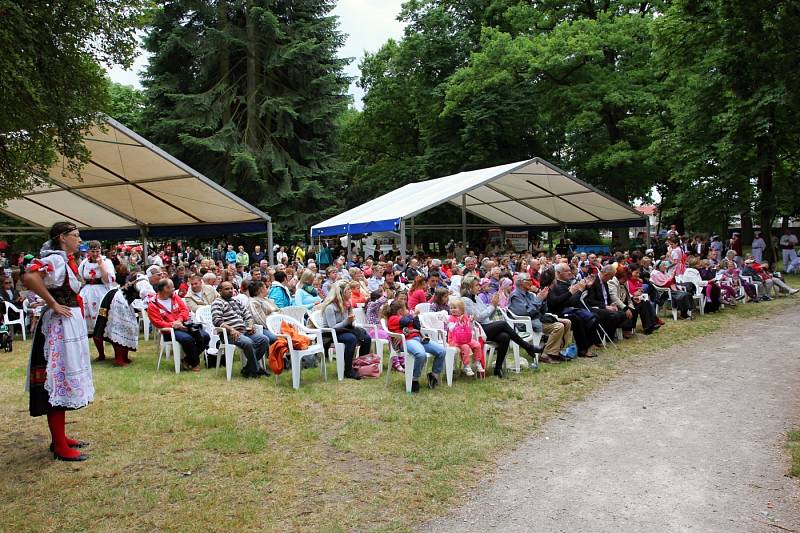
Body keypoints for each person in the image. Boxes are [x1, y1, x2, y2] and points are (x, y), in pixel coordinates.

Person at [23, 222, 94, 461]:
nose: (79, 239)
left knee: (64, 379)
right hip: (57, 328)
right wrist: (52, 303)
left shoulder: (63, 259)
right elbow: (30, 277)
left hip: (68, 324)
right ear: (62, 237)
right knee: (56, 379)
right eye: (75, 235)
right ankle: (59, 444)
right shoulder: (54, 259)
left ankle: (60, 437)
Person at [461, 274, 543, 378]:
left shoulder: (476, 297)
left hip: (485, 327)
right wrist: (492, 306)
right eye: (476, 285)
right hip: (476, 330)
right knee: (503, 324)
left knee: (505, 336)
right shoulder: (465, 300)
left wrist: (494, 306)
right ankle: (528, 347)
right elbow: (479, 318)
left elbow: (488, 316)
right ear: (469, 287)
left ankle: (498, 369)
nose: (479, 287)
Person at [212, 281, 272, 378]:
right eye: (227, 289)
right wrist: (231, 329)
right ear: (220, 291)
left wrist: (250, 326)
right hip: (229, 334)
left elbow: (248, 316)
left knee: (264, 339)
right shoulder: (217, 303)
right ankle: (256, 369)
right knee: (248, 342)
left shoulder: (236, 301)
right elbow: (217, 321)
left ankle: (249, 368)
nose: (230, 291)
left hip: (244, 331)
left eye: (231, 288)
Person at [148, 279, 209, 371]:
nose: (174, 289)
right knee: (188, 339)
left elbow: (184, 310)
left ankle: (187, 360)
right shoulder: (153, 304)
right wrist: (172, 324)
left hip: (184, 325)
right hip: (169, 331)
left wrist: (180, 320)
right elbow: (157, 322)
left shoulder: (175, 297)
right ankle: (195, 363)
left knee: (205, 336)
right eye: (172, 287)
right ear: (165, 288)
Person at [508, 273, 570, 363]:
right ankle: (545, 354)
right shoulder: (515, 296)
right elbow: (525, 313)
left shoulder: (529, 294)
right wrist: (538, 300)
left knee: (567, 322)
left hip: (538, 319)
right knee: (558, 326)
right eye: (528, 280)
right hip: (527, 323)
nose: (531, 282)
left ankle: (556, 352)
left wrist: (543, 299)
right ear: (521, 282)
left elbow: (543, 311)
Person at [386, 299, 446, 391]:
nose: (408, 310)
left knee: (441, 351)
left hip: (417, 339)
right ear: (400, 311)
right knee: (420, 354)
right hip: (405, 341)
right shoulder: (393, 319)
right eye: (406, 308)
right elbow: (404, 321)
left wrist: (415, 317)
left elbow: (417, 327)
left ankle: (433, 375)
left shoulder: (407, 317)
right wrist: (413, 315)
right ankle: (414, 378)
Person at [320, 280, 371, 380]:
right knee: (351, 338)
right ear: (341, 293)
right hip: (330, 334)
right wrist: (348, 321)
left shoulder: (347, 303)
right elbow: (333, 327)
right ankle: (348, 370)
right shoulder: (330, 307)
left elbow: (347, 323)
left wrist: (351, 320)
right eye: (348, 290)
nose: (350, 292)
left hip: (343, 329)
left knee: (366, 337)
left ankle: (360, 365)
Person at [93, 270, 141, 366]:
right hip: (112, 303)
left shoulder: (137, 283)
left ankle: (123, 357)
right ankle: (118, 358)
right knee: (118, 327)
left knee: (126, 327)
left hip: (116, 302)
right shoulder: (119, 292)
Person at [78, 241, 116, 359]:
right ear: (89, 251)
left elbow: (108, 280)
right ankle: (101, 353)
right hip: (87, 293)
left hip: (101, 292)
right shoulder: (84, 262)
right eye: (92, 251)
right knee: (90, 323)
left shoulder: (106, 261)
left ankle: (116, 352)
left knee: (104, 320)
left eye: (97, 251)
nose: (95, 254)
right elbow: (79, 276)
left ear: (100, 251)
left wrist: (101, 266)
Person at [446, 298, 485, 377]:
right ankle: (466, 366)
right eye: (451, 308)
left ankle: (477, 362)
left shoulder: (465, 317)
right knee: (466, 347)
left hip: (466, 338)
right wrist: (457, 322)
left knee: (477, 345)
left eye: (454, 308)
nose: (452, 309)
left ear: (461, 310)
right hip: (455, 340)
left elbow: (469, 328)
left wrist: (470, 321)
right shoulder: (451, 318)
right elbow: (451, 329)